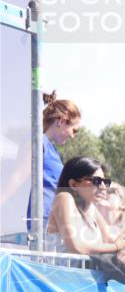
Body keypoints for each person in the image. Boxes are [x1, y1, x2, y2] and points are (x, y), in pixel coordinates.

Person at [46, 156, 125, 259]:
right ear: (73, 184)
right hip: (59, 274)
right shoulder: (64, 198)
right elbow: (76, 247)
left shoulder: (92, 209)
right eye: (96, 181)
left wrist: (122, 253)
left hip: (83, 274)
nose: (103, 187)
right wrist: (116, 247)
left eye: (105, 182)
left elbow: (110, 239)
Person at [29, 91, 82, 233]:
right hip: (38, 224)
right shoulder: (40, 142)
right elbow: (17, 177)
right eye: (74, 130)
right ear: (61, 121)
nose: (73, 136)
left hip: (50, 224)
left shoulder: (53, 151)